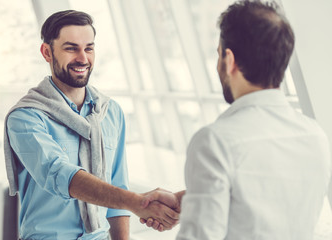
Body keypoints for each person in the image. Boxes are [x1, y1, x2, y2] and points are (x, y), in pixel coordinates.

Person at [141, 0, 332, 239]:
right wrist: (194, 197)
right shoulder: (315, 135)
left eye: (219, 54)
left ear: (230, 60)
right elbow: (272, 196)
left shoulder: (214, 142)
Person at [3, 10, 179, 240]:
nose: (83, 58)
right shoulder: (26, 117)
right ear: (47, 52)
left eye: (89, 48)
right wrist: (137, 202)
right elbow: (60, 175)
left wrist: (135, 207)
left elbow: (117, 187)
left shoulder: (110, 112)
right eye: (71, 48)